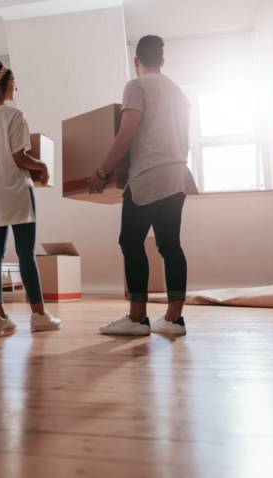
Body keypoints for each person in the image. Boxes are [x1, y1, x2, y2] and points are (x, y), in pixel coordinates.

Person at [89, 35, 198, 336]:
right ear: (162, 61)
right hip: (177, 175)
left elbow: (126, 134)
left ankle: (137, 319)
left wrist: (102, 172)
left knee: (131, 242)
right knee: (170, 245)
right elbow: (186, 140)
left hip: (148, 175)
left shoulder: (136, 86)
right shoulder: (179, 93)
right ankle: (174, 319)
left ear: (136, 61)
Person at [0, 61, 62, 335]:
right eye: (14, 81)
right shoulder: (14, 115)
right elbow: (20, 156)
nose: (16, 86)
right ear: (4, 83)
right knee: (25, 255)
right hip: (17, 193)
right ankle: (39, 315)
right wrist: (42, 167)